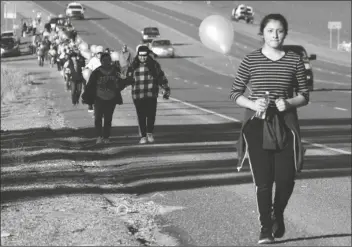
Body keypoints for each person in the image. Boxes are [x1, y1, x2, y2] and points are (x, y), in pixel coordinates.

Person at [229, 13, 309, 244]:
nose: (275, 35)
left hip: (285, 125)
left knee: (286, 179)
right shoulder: (250, 59)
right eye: (270, 30)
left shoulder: (294, 60)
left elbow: (304, 95)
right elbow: (235, 93)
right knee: (263, 181)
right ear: (262, 33)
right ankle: (265, 228)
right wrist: (252, 103)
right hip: (257, 126)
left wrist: (290, 102)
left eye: (280, 30)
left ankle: (278, 213)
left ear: (285, 33)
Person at [125, 46, 170, 144]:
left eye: (144, 56)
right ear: (138, 55)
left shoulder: (154, 65)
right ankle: (143, 136)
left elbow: (161, 77)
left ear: (147, 55)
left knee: (151, 115)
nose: (142, 58)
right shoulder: (133, 66)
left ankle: (149, 133)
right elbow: (127, 79)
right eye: (140, 56)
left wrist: (165, 88)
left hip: (151, 94)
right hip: (138, 95)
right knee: (141, 115)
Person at [81, 53, 125, 144]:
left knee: (108, 118)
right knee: (98, 118)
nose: (106, 62)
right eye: (104, 60)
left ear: (111, 61)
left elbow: (122, 81)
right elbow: (90, 85)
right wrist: (85, 96)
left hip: (111, 98)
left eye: (108, 60)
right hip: (99, 98)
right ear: (101, 61)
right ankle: (99, 136)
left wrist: (119, 85)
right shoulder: (96, 72)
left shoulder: (115, 71)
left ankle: (106, 137)